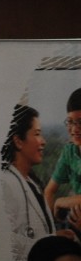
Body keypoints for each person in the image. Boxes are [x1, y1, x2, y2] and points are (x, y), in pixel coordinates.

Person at [0, 105, 69, 261]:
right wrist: (51, 243)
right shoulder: (7, 185)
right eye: (37, 134)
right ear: (18, 141)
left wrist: (54, 237)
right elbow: (10, 244)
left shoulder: (31, 183)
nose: (43, 141)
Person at [43, 88, 81, 224]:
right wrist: (51, 226)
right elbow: (49, 191)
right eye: (70, 122)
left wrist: (61, 201)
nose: (75, 129)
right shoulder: (69, 152)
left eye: (80, 122)